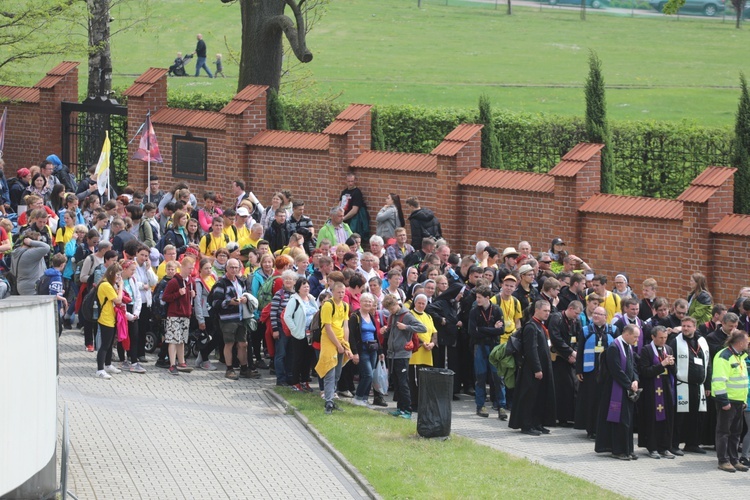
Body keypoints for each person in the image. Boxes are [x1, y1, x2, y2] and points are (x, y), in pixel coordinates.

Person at [509, 300, 555, 435]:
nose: (547, 314)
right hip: (532, 369)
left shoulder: (540, 326)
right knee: (530, 397)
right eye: (545, 311)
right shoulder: (531, 327)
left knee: (540, 397)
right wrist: (537, 369)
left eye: (549, 311)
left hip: (543, 366)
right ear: (537, 310)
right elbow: (531, 350)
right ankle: (526, 424)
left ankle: (537, 423)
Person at [595, 324, 640, 461]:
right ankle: (618, 450)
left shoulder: (628, 346)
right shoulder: (614, 347)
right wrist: (629, 384)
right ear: (627, 334)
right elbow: (616, 370)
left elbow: (633, 366)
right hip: (615, 389)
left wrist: (636, 380)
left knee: (627, 420)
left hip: (626, 388)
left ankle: (628, 449)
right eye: (635, 336)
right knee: (620, 420)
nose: (636, 339)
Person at [667, 315, 710, 456]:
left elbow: (708, 363)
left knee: (697, 417)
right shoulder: (675, 342)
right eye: (683, 326)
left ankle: (692, 444)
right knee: (680, 418)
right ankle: (674, 444)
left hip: (699, 386)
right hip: (682, 385)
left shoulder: (702, 341)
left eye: (688, 326)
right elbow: (670, 361)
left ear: (694, 327)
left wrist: (708, 384)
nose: (685, 328)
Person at [575, 306, 616, 439]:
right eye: (594, 314)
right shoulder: (586, 330)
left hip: (607, 372)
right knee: (591, 400)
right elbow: (580, 350)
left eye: (599, 314)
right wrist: (579, 370)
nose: (596, 316)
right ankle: (591, 429)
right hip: (590, 372)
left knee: (605, 400)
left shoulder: (613, 330)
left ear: (606, 317)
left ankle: (604, 428)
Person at [383, 294, 426, 419]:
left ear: (397, 304)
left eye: (392, 308)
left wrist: (406, 327)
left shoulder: (406, 315)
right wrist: (385, 330)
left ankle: (407, 410)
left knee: (403, 383)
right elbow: (391, 333)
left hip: (402, 354)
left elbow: (422, 328)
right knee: (396, 383)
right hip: (392, 354)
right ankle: (400, 408)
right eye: (389, 310)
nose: (391, 311)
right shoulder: (392, 316)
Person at [711, 330, 749, 472]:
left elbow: (743, 380)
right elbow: (719, 381)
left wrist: (744, 399)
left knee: (735, 433)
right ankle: (723, 461)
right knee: (724, 432)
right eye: (747, 341)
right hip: (728, 401)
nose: (748, 343)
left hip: (738, 400)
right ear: (739, 343)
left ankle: (734, 460)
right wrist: (724, 401)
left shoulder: (740, 356)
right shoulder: (724, 356)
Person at [212, 258, 255, 380]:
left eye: (236, 267)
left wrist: (246, 299)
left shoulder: (241, 281)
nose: (234, 269)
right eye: (231, 267)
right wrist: (229, 302)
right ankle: (229, 369)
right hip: (227, 319)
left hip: (241, 317)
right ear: (226, 268)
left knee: (243, 344)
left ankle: (244, 369)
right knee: (229, 343)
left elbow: (246, 294)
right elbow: (216, 302)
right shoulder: (221, 283)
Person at [637, 326, 676, 459]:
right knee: (652, 418)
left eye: (665, 337)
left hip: (666, 389)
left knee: (667, 418)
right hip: (651, 390)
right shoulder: (646, 350)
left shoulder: (668, 349)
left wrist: (671, 365)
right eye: (660, 338)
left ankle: (665, 447)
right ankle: (652, 447)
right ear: (653, 337)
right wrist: (662, 364)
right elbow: (645, 372)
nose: (663, 340)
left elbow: (674, 372)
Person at [468, 286, 506, 419]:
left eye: (479, 297)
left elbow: (501, 330)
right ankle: (480, 405)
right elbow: (472, 332)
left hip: (495, 347)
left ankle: (502, 406)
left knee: (498, 377)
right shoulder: (474, 311)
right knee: (481, 377)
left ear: (487, 298)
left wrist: (482, 329)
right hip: (480, 346)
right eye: (476, 297)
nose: (477, 300)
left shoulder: (496, 310)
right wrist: (491, 329)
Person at [315, 281, 352, 415]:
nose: (341, 295)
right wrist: (337, 344)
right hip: (329, 340)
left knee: (337, 372)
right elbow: (327, 327)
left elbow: (345, 326)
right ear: (333, 292)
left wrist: (345, 344)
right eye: (338, 292)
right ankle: (328, 401)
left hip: (340, 339)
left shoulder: (345, 306)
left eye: (343, 292)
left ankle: (331, 396)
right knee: (330, 371)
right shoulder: (328, 305)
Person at [549, 300, 583, 427]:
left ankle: (570, 416)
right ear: (570, 308)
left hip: (571, 357)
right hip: (559, 357)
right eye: (576, 313)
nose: (577, 316)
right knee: (562, 387)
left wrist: (574, 352)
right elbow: (556, 338)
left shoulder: (576, 321)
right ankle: (560, 417)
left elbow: (579, 338)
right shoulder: (556, 318)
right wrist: (569, 353)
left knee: (573, 386)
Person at [161, 255, 196, 375]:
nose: (191, 270)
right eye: (189, 268)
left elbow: (191, 297)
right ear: (183, 267)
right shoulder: (174, 281)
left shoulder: (190, 282)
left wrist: (193, 294)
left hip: (186, 314)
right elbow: (165, 297)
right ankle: (172, 364)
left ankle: (181, 362)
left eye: (192, 268)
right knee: (173, 339)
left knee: (181, 339)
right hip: (174, 314)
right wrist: (177, 294)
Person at [283, 277, 319, 392]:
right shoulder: (294, 300)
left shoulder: (312, 299)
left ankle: (305, 380)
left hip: (311, 334)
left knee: (308, 359)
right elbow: (287, 316)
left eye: (308, 286)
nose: (306, 288)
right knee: (298, 358)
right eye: (304, 286)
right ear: (298, 288)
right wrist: (294, 330)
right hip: (299, 334)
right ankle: (295, 382)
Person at [347, 292, 383, 406]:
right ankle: (358, 397)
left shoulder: (371, 316)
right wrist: (355, 353)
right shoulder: (355, 317)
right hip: (362, 350)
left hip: (373, 350)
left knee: (368, 375)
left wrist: (380, 351)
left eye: (370, 301)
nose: (368, 303)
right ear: (360, 302)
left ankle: (364, 398)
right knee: (368, 375)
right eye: (365, 301)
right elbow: (351, 336)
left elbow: (375, 335)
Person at [408, 293, 438, 413]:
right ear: (415, 303)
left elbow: (434, 332)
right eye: (419, 303)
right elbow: (411, 331)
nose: (421, 305)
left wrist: (432, 343)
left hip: (427, 354)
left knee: (424, 381)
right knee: (414, 380)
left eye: (423, 303)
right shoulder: (410, 315)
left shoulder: (429, 316)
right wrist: (423, 342)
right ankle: (413, 403)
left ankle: (423, 403)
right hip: (416, 354)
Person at [95, 263, 125, 379]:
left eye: (120, 275)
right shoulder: (106, 285)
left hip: (111, 317)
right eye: (118, 274)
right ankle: (100, 369)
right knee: (105, 345)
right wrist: (121, 286)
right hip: (105, 318)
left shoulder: (109, 284)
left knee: (110, 343)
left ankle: (108, 365)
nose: (119, 277)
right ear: (112, 273)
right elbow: (118, 300)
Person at [10, 230, 51, 295]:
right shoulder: (29, 253)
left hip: (21, 285)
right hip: (32, 287)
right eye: (38, 241)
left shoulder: (16, 251)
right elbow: (46, 247)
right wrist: (31, 242)